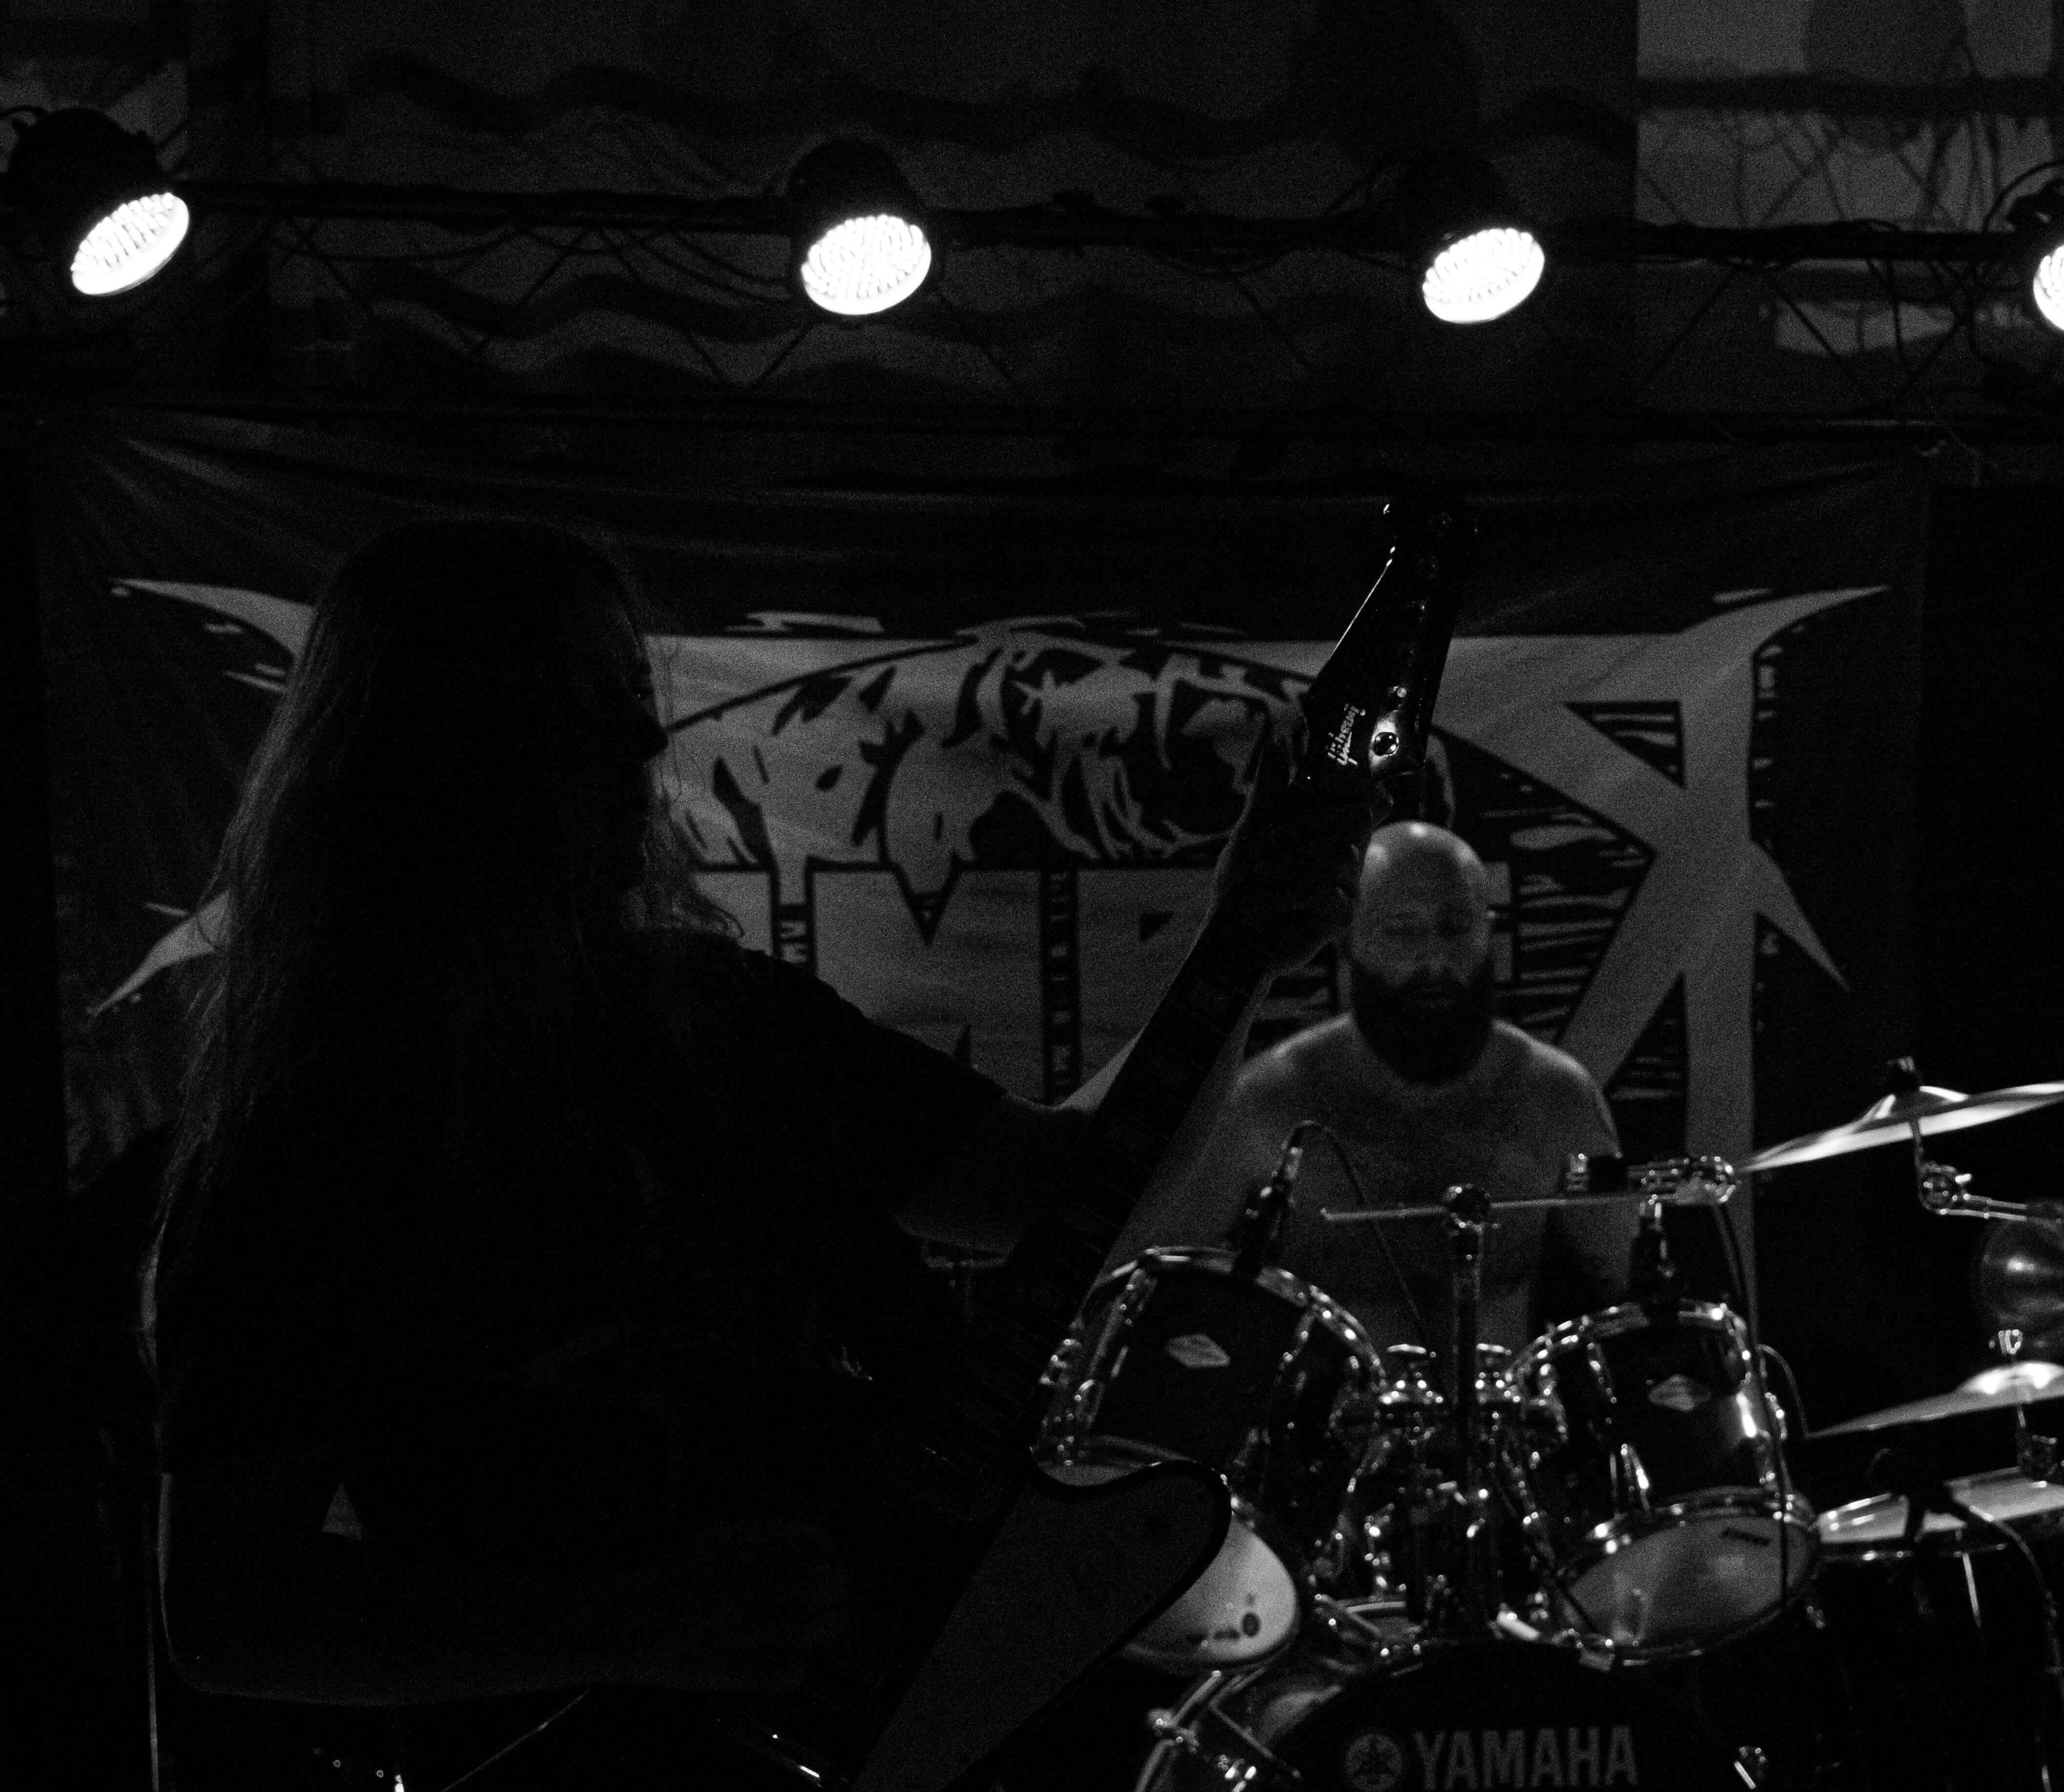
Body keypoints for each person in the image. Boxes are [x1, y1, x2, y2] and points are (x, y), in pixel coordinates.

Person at [146, 519, 1370, 1711]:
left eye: (634, 692)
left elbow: (1058, 1193)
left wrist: (1238, 951)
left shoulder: (719, 1019)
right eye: (579, 698)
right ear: (449, 747)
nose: (640, 737)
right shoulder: (312, 1134)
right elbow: (225, 1611)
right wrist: (638, 1626)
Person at [1117, 820, 1638, 1353]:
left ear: (1490, 931)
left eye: (1457, 926)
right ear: (1347, 939)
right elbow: (1157, 1290)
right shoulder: (1265, 1104)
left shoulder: (1556, 1098)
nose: (1434, 959)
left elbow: (1633, 1291)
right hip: (1326, 1404)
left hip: (1499, 1401)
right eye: (1402, 930)